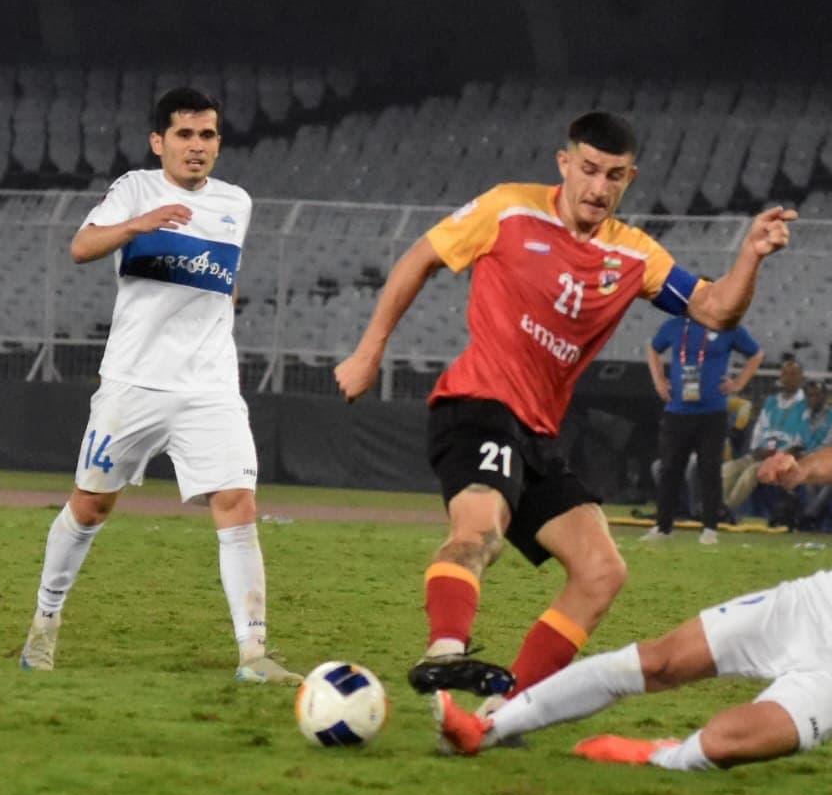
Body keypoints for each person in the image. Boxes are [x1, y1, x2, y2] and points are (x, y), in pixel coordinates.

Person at [432, 369, 832, 786]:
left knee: (724, 743)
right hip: (820, 601)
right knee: (660, 660)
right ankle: (490, 728)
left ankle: (663, 756)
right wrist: (801, 467)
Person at [333, 111, 795, 702]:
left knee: (603, 571)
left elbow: (716, 310)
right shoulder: (508, 208)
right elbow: (419, 257)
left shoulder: (634, 255)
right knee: (480, 529)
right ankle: (445, 652)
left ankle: (507, 709)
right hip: (477, 405)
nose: (599, 188)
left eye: (615, 176)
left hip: (539, 434)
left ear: (631, 178)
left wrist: (751, 256)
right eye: (589, 170)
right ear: (564, 164)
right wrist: (369, 351)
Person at [18, 88, 299, 685]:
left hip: (210, 386)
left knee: (236, 502)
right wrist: (140, 224)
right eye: (184, 135)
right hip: (133, 383)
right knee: (91, 504)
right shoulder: (135, 189)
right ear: (159, 142)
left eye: (208, 136)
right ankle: (45, 623)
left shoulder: (235, 203)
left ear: (218, 143)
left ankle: (253, 653)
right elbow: (80, 247)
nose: (197, 147)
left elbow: (224, 277)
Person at [642, 315, 763, 545]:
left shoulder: (728, 327)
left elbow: (756, 354)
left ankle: (709, 528)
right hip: (677, 411)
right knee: (669, 469)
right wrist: (658, 381)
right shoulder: (675, 325)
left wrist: (739, 383)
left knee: (710, 469)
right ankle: (663, 526)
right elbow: (653, 349)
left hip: (712, 413)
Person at [721, 359, 810, 525]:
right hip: (762, 453)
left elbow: (801, 441)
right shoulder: (771, 402)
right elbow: (760, 429)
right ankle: (717, 508)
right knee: (726, 470)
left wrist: (777, 454)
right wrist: (758, 449)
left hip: (785, 459)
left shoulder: (805, 405)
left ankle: (726, 509)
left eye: (792, 375)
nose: (787, 378)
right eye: (784, 374)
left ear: (801, 379)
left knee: (751, 473)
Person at [795, 380, 832, 529]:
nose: (813, 399)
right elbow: (799, 441)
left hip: (831, 461)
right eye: (809, 395)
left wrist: (805, 455)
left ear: (824, 397)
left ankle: (810, 516)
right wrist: (796, 452)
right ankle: (807, 517)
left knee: (828, 481)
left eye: (817, 395)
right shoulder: (803, 416)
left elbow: (828, 446)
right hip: (808, 461)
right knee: (806, 477)